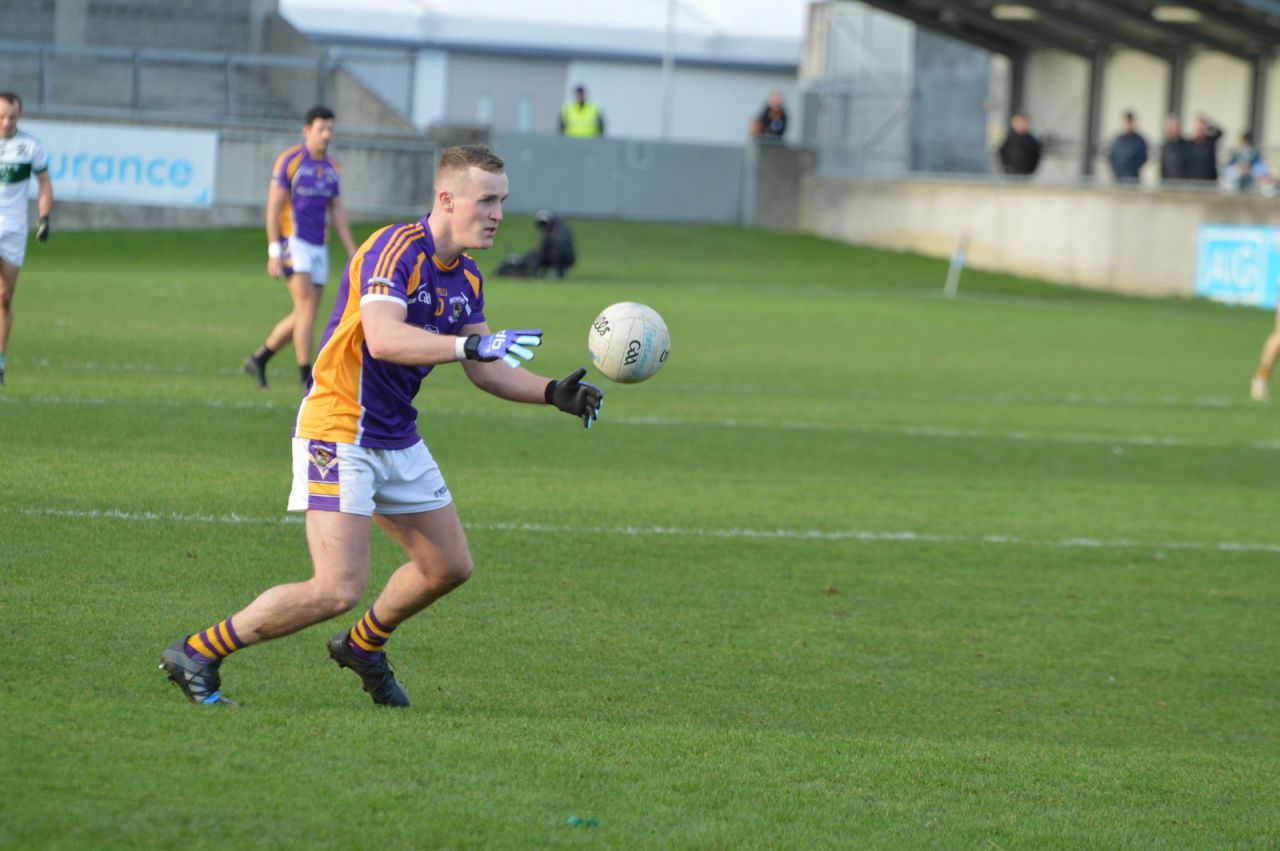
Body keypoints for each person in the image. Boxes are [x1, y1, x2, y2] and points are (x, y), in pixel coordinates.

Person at [161, 145, 604, 707]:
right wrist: (471, 342)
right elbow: (384, 338)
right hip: (338, 429)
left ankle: (363, 647)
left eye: (502, 201)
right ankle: (197, 651)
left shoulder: (465, 275)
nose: (497, 213)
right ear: (447, 199)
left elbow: (484, 371)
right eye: (486, 200)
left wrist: (552, 393)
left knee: (448, 566)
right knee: (335, 588)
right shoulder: (393, 250)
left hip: (396, 435)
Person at [243, 105, 357, 391]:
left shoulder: (331, 167)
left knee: (304, 314)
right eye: (321, 128)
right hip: (293, 242)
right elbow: (273, 207)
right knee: (306, 306)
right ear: (307, 131)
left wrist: (353, 250)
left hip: (319, 247)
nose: (327, 134)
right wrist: (273, 250)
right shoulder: (290, 162)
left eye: (330, 128)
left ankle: (260, 358)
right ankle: (307, 378)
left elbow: (338, 211)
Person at [0, 92, 53, 387]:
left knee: (5, 298)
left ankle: (1, 362)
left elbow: (45, 184)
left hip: (15, 229)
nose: (7, 122)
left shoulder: (30, 146)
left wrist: (44, 219)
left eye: (12, 117)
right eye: (2, 116)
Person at [496, 209, 576, 279]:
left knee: (536, 256)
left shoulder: (560, 234)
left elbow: (558, 250)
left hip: (562, 259)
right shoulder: (550, 233)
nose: (543, 227)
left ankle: (532, 274)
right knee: (532, 255)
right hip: (553, 258)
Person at [1107, 110, 1148, 184]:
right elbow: (1112, 157)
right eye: (1126, 122)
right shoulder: (1118, 140)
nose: (1128, 125)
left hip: (1133, 179)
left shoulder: (1139, 141)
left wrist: (1131, 170)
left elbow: (1143, 158)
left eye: (1130, 122)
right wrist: (1116, 171)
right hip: (1118, 179)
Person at [1185, 115, 1222, 182]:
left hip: (1209, 179)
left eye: (1201, 128)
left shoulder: (1210, 141)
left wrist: (1209, 125)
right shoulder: (1189, 144)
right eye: (1198, 128)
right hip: (1193, 179)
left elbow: (1220, 132)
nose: (1200, 130)